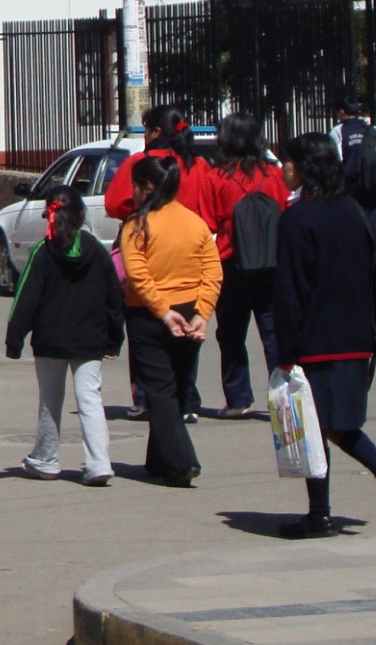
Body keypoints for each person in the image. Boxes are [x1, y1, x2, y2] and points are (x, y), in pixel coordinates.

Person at [274, 133, 376, 539]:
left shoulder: (298, 218)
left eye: (290, 161)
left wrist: (286, 351)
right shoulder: (353, 211)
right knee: (336, 425)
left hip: (316, 343)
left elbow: (290, 291)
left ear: (304, 168)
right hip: (356, 338)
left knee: (318, 427)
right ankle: (341, 501)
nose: (284, 168)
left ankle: (349, 497)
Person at [5, 190, 123, 485]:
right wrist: (113, 338)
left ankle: (46, 459)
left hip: (50, 342)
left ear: (50, 216)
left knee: (50, 401)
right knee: (90, 401)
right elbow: (114, 297)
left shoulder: (43, 253)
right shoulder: (96, 250)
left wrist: (14, 339)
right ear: (83, 216)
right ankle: (99, 464)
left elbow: (25, 298)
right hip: (90, 341)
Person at [105, 105, 217, 416]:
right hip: (192, 254)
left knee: (145, 333)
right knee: (188, 335)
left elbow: (114, 203)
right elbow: (211, 210)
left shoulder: (141, 164)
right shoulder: (199, 166)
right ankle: (187, 401)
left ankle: (145, 397)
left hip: (150, 252)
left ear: (155, 132)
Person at [116, 155, 219, 487]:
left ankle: (181, 462)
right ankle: (158, 457)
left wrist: (162, 311)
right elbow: (212, 272)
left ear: (147, 187)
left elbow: (138, 275)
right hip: (188, 311)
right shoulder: (195, 222)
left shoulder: (137, 225)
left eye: (135, 186)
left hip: (149, 314)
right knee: (173, 387)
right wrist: (202, 313)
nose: (132, 192)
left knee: (159, 390)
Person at [201, 113, 290, 419]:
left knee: (231, 333)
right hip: (272, 262)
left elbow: (207, 223)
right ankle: (284, 399)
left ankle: (239, 399)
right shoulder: (275, 175)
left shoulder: (215, 178)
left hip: (231, 263)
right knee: (273, 333)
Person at [331, 94, 376, 241]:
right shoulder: (372, 129)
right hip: (371, 185)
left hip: (350, 187)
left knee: (352, 228)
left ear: (341, 112)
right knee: (373, 226)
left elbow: (337, 160)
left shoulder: (338, 131)